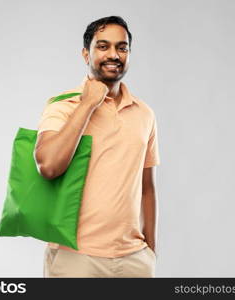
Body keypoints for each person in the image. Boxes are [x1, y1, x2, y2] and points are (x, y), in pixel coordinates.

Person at [34, 16, 160, 278]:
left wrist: (150, 251)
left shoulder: (144, 113)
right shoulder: (63, 107)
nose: (113, 54)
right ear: (86, 54)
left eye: (121, 47)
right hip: (76, 259)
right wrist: (88, 104)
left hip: (134, 260)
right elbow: (48, 166)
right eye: (103, 46)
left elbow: (146, 187)